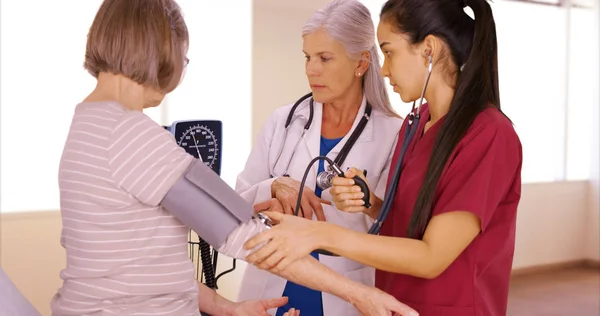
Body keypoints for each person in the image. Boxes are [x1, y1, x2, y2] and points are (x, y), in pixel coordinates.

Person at [50, 1, 418, 316]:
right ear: (163, 51)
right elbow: (242, 233)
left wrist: (226, 307)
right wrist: (361, 295)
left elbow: (136, 265)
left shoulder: (86, 125)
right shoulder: (132, 134)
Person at [243, 0, 523, 315]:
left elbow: (431, 256)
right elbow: (405, 223)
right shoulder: (415, 125)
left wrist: (318, 234)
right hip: (392, 304)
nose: (384, 68)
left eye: (388, 52)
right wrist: (371, 202)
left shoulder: (488, 134)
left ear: (428, 49)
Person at [235, 0, 403, 315]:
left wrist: (366, 201)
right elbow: (237, 203)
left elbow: (400, 231)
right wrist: (273, 186)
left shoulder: (393, 133)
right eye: (308, 57)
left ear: (361, 63)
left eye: (325, 58)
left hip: (342, 290)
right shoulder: (282, 121)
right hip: (273, 280)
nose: (312, 69)